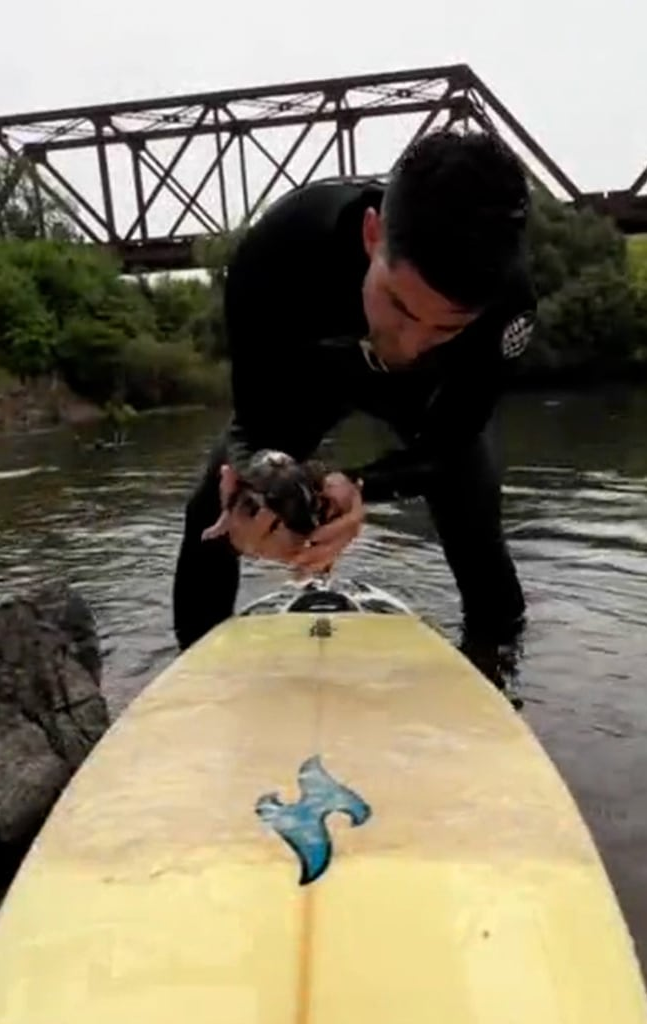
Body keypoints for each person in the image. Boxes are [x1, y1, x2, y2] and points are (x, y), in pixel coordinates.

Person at [171, 129, 537, 683]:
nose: (411, 346)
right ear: (372, 236)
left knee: (478, 529)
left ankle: (499, 678)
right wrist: (256, 486)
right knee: (207, 513)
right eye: (399, 306)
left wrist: (358, 487)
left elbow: (451, 443)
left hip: (430, 405)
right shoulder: (282, 250)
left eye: (446, 328)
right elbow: (253, 428)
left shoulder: (509, 306)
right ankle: (193, 680)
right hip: (310, 383)